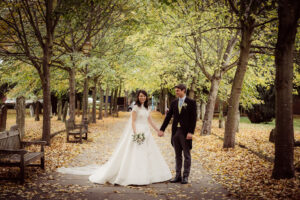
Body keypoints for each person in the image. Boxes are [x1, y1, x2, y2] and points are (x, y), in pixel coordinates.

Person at [57, 90, 172, 186]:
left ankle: (149, 174)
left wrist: (158, 130)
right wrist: (135, 133)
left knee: (148, 153)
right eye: (140, 96)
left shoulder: (147, 108)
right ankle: (133, 175)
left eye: (144, 96)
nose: (142, 97)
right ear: (138, 97)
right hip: (137, 131)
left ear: (146, 97)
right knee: (135, 153)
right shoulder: (135, 108)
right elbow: (132, 122)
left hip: (146, 133)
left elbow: (150, 121)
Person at [159, 84, 197, 184]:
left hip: (185, 132)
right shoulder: (174, 102)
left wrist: (191, 132)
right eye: (176, 91)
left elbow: (193, 118)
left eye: (178, 91)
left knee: (187, 155)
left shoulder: (191, 102)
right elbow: (168, 117)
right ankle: (177, 175)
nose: (176, 92)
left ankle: (185, 177)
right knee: (177, 155)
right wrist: (162, 129)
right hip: (175, 131)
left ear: (183, 90)